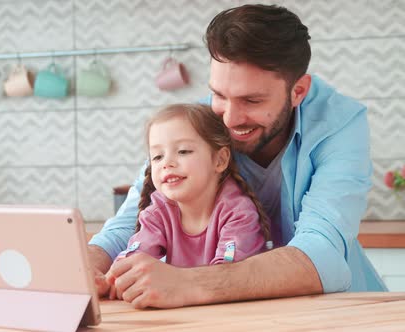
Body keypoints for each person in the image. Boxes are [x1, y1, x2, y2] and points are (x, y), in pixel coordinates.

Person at [88, 4, 387, 309]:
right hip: (233, 314)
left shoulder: (340, 124)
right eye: (219, 95)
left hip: (336, 312)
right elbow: (131, 220)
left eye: (252, 100)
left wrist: (189, 282)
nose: (229, 119)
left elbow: (323, 253)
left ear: (298, 91)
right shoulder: (200, 120)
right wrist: (88, 267)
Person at [97, 104, 273, 298]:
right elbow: (137, 256)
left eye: (183, 151)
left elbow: (227, 276)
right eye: (157, 156)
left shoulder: (238, 213)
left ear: (220, 160)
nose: (167, 163)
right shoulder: (158, 211)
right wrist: (113, 280)